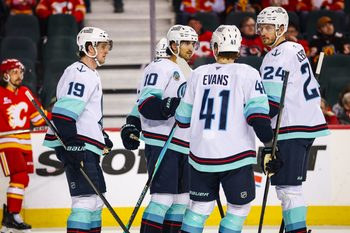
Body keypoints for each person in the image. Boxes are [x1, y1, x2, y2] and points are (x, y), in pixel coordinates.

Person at [175, 24, 274, 233]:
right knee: (238, 209)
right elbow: (258, 117)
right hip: (235, 156)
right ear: (238, 48)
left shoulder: (198, 73)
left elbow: (182, 119)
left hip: (200, 156)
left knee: (199, 208)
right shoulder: (248, 73)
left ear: (215, 47)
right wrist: (270, 145)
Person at [256, 6, 330, 232]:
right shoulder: (296, 48)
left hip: (290, 127)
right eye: (261, 27)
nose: (262, 32)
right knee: (291, 188)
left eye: (268, 27)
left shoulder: (275, 56)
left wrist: (257, 127)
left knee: (288, 189)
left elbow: (271, 103)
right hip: (306, 125)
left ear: (281, 28)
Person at [42, 27, 113, 233]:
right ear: (89, 47)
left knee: (95, 202)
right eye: (102, 46)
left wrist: (102, 136)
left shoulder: (90, 74)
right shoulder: (79, 72)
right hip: (77, 144)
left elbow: (86, 114)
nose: (106, 50)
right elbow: (64, 113)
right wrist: (71, 144)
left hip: (86, 143)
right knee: (84, 202)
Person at [136, 25, 198, 233]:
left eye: (193, 43)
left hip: (183, 144)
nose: (191, 47)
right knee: (162, 199)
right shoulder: (159, 67)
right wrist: (169, 105)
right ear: (173, 45)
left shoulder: (185, 71)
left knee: (181, 201)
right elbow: (146, 104)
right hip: (163, 142)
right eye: (186, 43)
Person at [0, 59, 49, 232]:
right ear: (5, 75)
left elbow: (38, 118)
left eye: (21, 72)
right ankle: (13, 216)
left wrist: (53, 113)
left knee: (21, 179)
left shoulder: (26, 92)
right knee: (20, 177)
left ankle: (9, 218)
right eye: (15, 72)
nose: (19, 75)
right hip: (7, 142)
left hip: (25, 143)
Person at [120, 38, 170, 151]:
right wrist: (132, 127)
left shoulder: (188, 75)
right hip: (161, 141)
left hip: (181, 143)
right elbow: (140, 106)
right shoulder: (155, 72)